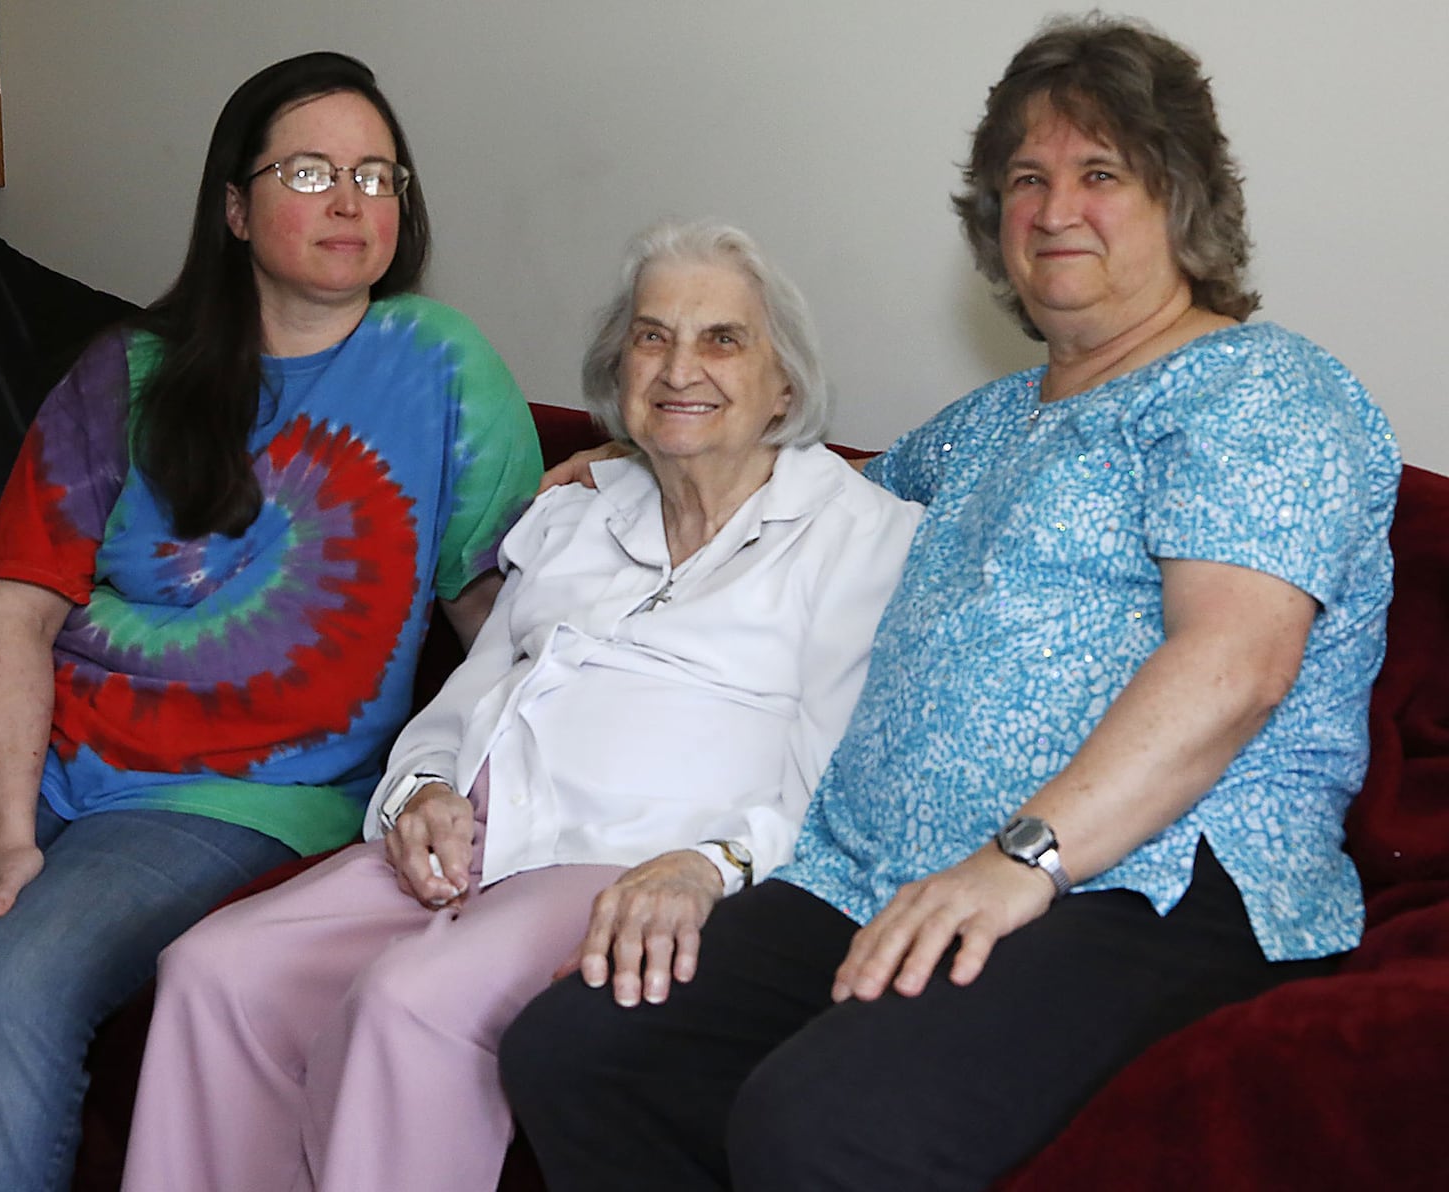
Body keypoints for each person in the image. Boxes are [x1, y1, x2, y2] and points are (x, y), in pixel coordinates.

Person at [499, 16, 1402, 1192]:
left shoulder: (1262, 389)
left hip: (1146, 879)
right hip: (877, 867)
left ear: (1180, 200)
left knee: (825, 1121)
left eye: (1099, 173)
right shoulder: (984, 424)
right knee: (581, 1050)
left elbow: (1236, 663)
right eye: (1024, 179)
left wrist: (1021, 855)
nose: (1054, 207)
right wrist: (641, 461)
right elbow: (797, 519)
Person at [0, 51, 540, 1192]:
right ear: (234, 204)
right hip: (27, 740)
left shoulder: (444, 366)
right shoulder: (127, 372)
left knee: (13, 982)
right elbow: (17, 616)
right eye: (311, 170)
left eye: (380, 175)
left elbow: (498, 611)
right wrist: (12, 834)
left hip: (242, 793)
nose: (352, 199)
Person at [118, 219, 922, 1192]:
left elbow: (843, 770)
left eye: (722, 339)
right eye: (650, 335)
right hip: (479, 838)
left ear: (783, 388)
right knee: (213, 968)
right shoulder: (578, 514)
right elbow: (466, 704)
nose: (680, 367)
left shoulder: (858, 536)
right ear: (618, 369)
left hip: (629, 855)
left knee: (411, 1004)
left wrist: (713, 865)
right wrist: (420, 792)